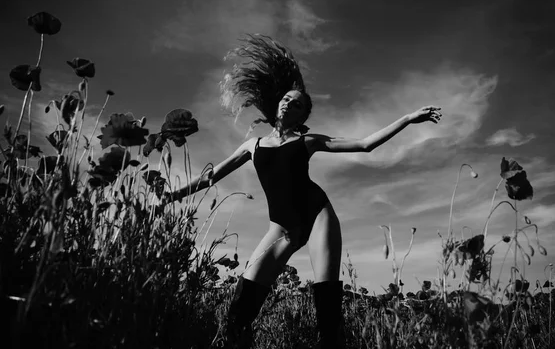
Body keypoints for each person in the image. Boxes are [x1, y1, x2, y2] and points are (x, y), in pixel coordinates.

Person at [169, 35, 442, 348]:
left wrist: (408, 119)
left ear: (303, 116)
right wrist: (171, 196)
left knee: (326, 309)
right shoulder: (252, 145)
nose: (289, 103)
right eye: (286, 98)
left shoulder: (309, 141)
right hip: (281, 227)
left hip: (316, 215)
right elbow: (210, 177)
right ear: (277, 104)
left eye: (297, 103)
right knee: (239, 311)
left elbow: (366, 145)